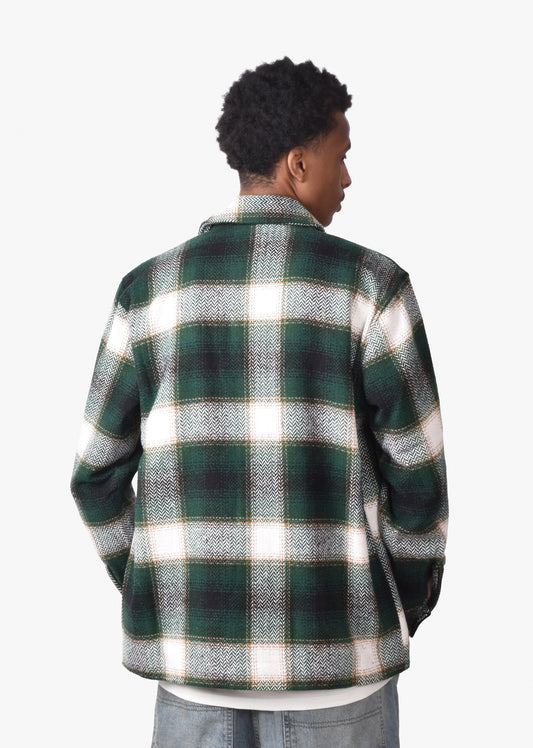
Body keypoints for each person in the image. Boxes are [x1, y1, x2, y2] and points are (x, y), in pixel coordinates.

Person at [71, 57, 448, 747]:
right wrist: (393, 604)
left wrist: (163, 587)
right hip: (340, 671)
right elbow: (418, 482)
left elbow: (95, 476)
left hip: (192, 677)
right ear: (298, 164)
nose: (347, 178)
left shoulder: (146, 293)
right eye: (341, 156)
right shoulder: (371, 287)